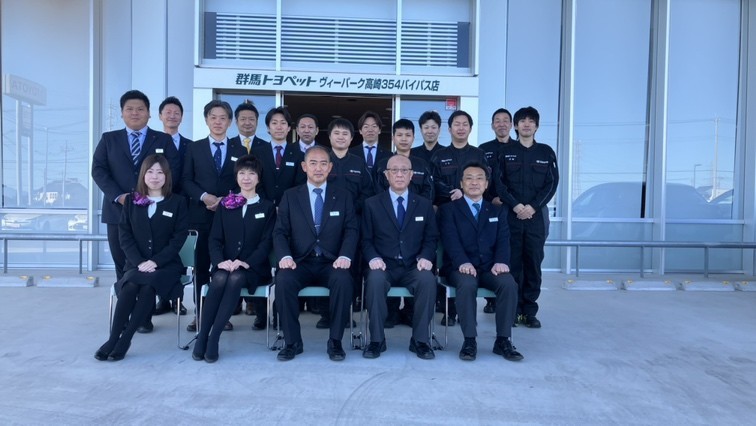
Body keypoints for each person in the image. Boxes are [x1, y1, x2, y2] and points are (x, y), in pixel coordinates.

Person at [92, 89, 180, 333]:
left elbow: (173, 170)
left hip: (153, 215)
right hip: (118, 212)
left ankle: (143, 317)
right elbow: (98, 170)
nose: (135, 113)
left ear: (149, 113)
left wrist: (156, 197)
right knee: (123, 265)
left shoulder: (162, 140)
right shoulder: (109, 139)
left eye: (140, 109)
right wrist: (119, 196)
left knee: (149, 265)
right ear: (122, 113)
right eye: (129, 109)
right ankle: (125, 314)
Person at [94, 154, 188, 361]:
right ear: (143, 175)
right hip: (137, 264)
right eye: (150, 171)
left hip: (166, 266)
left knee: (146, 286)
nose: (155, 176)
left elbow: (178, 239)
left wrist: (155, 261)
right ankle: (113, 339)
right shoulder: (132, 201)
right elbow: (125, 236)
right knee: (131, 286)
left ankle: (125, 339)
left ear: (167, 176)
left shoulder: (177, 202)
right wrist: (139, 262)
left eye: (160, 172)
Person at [273, 146, 358, 362]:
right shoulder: (290, 196)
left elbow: (351, 229)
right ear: (304, 167)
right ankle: (292, 342)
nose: (318, 168)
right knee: (283, 280)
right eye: (313, 163)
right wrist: (285, 256)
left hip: (332, 262)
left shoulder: (343, 196)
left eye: (323, 164)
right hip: (300, 261)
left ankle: (335, 341)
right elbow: (280, 232)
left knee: (343, 281)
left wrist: (345, 256)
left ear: (330, 167)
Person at [192, 155, 276, 363]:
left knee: (236, 278)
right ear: (236, 177)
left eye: (251, 173)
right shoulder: (226, 204)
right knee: (220, 278)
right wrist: (220, 261)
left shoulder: (266, 207)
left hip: (253, 268)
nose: (246, 178)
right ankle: (202, 336)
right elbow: (214, 239)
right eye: (242, 173)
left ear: (259, 178)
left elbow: (267, 243)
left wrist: (246, 262)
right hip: (226, 265)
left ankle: (213, 338)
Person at [439, 162, 523, 362]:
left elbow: (504, 240)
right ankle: (470, 340)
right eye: (469, 178)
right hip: (459, 267)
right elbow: (450, 240)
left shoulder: (497, 211)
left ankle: (503, 340)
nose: (474, 182)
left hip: (489, 268)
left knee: (508, 283)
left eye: (479, 178)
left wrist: (501, 261)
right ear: (461, 183)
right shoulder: (448, 210)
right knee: (467, 284)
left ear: (486, 184)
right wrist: (462, 262)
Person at [361, 154, 439, 360]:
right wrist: (373, 258)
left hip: (413, 266)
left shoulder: (424, 204)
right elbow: (365, 240)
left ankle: (420, 340)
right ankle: (376, 340)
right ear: (386, 175)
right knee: (375, 281)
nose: (399, 174)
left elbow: (431, 238)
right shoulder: (372, 204)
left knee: (428, 280)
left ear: (411, 175)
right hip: (383, 265)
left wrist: (426, 256)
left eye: (404, 170)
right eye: (394, 170)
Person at [182, 100, 247, 332]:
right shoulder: (194, 148)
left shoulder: (240, 150)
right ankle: (200, 315)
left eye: (223, 118)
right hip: (200, 216)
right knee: (201, 267)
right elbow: (186, 180)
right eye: (213, 117)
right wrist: (204, 197)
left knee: (224, 268)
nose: (218, 122)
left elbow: (244, 181)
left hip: (228, 217)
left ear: (229, 122)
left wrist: (225, 200)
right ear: (206, 120)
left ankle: (222, 316)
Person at [497, 106, 558, 328]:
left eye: (531, 121)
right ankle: (513, 311)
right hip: (511, 216)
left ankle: (529, 311)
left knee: (533, 264)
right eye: (522, 121)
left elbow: (552, 183)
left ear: (537, 126)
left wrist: (533, 207)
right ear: (515, 125)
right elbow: (499, 183)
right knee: (512, 264)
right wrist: (515, 205)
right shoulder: (506, 152)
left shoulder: (546, 152)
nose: (526, 124)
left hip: (536, 218)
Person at [372, 119, 434, 327]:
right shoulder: (383, 163)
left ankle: (410, 315)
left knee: (420, 276)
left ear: (414, 138)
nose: (404, 139)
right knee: (382, 274)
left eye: (408, 135)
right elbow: (378, 191)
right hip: (388, 226)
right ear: (393, 138)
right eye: (400, 135)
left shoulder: (421, 164)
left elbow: (429, 191)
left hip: (414, 225)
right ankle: (389, 314)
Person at [429, 110, 487, 326]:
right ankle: (448, 310)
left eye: (465, 124)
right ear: (450, 128)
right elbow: (434, 182)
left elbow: (486, 181)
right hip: (447, 214)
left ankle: (465, 311)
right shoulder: (440, 155)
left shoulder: (479, 154)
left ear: (470, 128)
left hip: (473, 218)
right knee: (448, 260)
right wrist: (452, 192)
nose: (461, 128)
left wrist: (464, 192)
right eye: (456, 124)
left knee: (469, 259)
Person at [153, 95, 192, 316]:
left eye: (176, 113)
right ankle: (162, 299)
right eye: (168, 112)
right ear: (160, 116)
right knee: (159, 248)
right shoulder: (153, 143)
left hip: (182, 205)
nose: (172, 116)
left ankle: (177, 299)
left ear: (182, 117)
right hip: (158, 204)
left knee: (179, 251)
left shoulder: (190, 145)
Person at [229, 100, 267, 316]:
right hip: (232, 208)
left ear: (257, 122)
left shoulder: (264, 147)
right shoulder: (229, 145)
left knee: (254, 249)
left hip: (256, 208)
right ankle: (233, 302)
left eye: (251, 119)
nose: (247, 122)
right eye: (243, 119)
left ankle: (253, 301)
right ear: (236, 122)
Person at [478, 108, 513, 314]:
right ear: (492, 125)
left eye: (505, 120)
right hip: (491, 207)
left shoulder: (518, 148)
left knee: (511, 254)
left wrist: (511, 201)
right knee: (489, 248)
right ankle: (491, 301)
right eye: (497, 121)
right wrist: (491, 199)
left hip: (514, 209)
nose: (501, 124)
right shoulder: (484, 150)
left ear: (511, 125)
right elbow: (481, 179)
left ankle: (514, 304)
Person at [250, 107, 306, 206]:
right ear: (268, 128)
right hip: (262, 205)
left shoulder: (299, 154)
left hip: (289, 207)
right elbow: (254, 180)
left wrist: (286, 205)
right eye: (274, 123)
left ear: (289, 128)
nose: (279, 127)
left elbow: (300, 184)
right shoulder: (257, 153)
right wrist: (266, 204)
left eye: (283, 123)